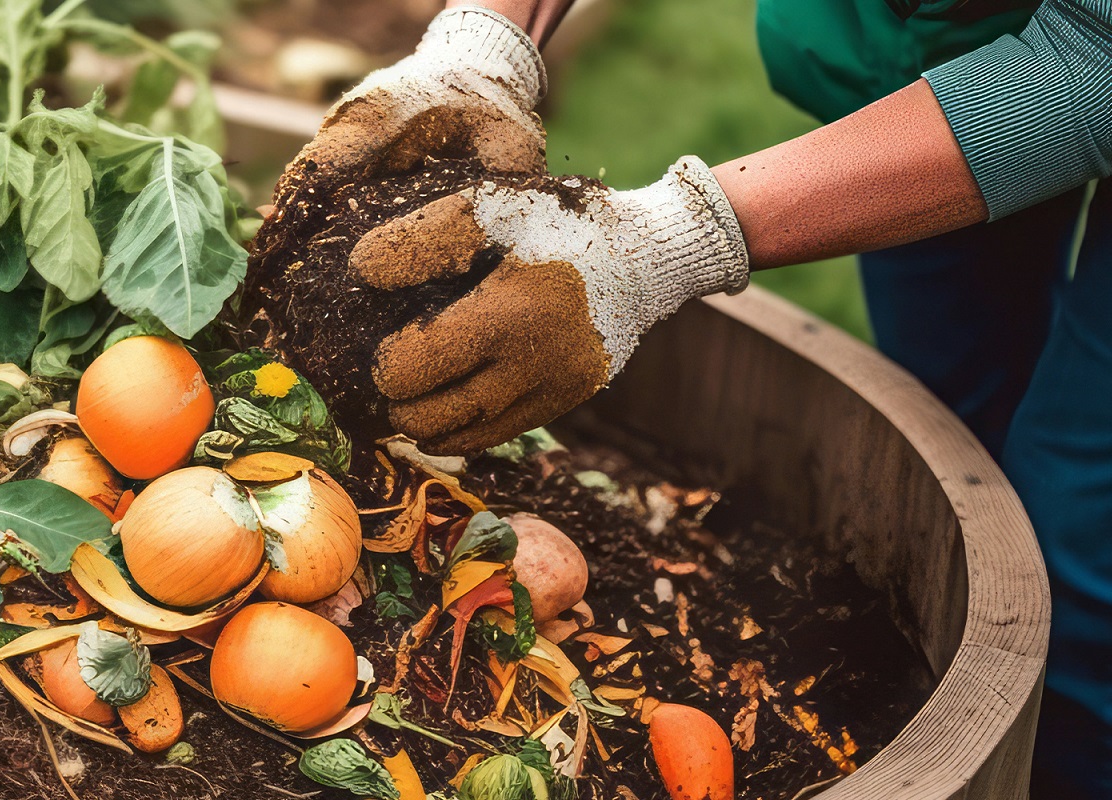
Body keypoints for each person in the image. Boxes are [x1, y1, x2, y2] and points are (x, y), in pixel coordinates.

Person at [298, 0, 1111, 794]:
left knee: (1076, 518)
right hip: (931, 26)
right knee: (957, 397)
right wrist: (483, 43)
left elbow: (1094, 57)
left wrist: (677, 237)